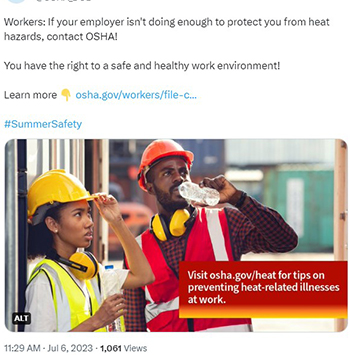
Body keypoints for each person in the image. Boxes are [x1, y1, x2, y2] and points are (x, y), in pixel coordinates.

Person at [123, 139, 298, 332]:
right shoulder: (137, 251)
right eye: (167, 173)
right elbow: (133, 327)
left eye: (183, 172)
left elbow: (285, 241)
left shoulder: (226, 223)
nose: (179, 178)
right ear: (149, 186)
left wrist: (239, 199)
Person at [25, 169, 154, 332]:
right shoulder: (44, 282)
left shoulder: (90, 271)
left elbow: (144, 276)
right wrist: (97, 321)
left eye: (88, 214)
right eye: (78, 214)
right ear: (53, 224)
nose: (89, 223)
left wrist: (117, 221)